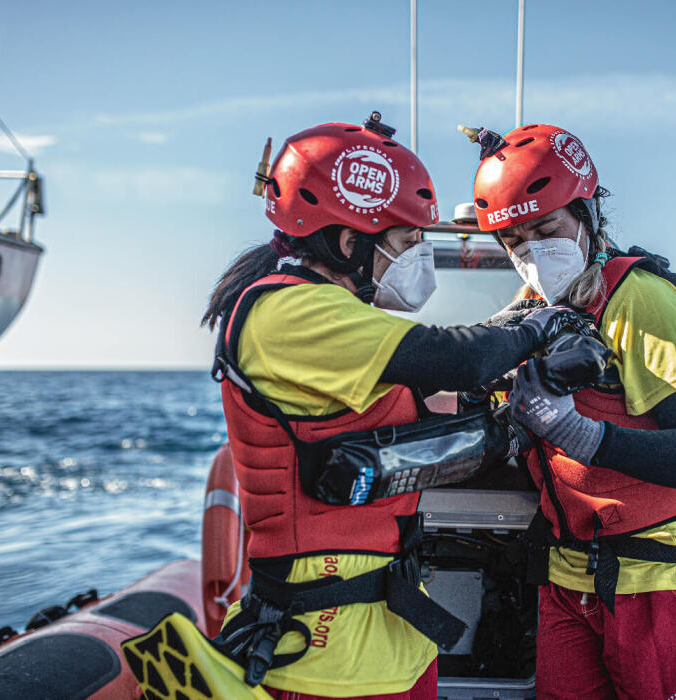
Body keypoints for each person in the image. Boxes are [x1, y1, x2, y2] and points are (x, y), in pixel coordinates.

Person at [131, 114, 579, 700]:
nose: (421, 255)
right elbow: (450, 359)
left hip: (390, 640)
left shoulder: (343, 325)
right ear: (349, 243)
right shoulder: (287, 313)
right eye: (408, 241)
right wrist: (546, 323)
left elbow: (433, 394)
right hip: (322, 653)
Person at [469, 124, 676, 699]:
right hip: (571, 582)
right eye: (516, 243)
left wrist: (581, 435)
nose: (535, 253)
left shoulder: (639, 298)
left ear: (587, 214)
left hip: (668, 581)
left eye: (547, 229)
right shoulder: (530, 312)